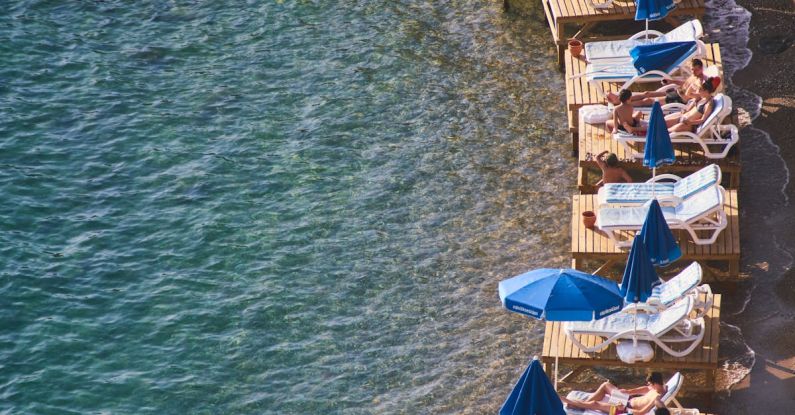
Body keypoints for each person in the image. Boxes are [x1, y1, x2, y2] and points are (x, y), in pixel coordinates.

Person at [605, 59, 708, 107]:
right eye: (692, 69)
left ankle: (624, 104)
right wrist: (671, 81)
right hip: (675, 92)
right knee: (646, 93)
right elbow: (685, 83)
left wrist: (690, 96)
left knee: (648, 100)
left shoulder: (701, 82)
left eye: (695, 70)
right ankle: (621, 100)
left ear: (701, 68)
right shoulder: (694, 76)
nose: (693, 72)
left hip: (679, 99)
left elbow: (701, 95)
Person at [560, 372, 668, 414]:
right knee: (605, 385)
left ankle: (572, 403)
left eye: (650, 383)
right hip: (627, 400)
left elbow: (642, 412)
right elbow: (634, 391)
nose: (649, 385)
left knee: (596, 404)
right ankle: (582, 404)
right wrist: (625, 392)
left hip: (623, 409)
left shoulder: (657, 398)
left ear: (655, 383)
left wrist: (625, 409)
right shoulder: (653, 388)